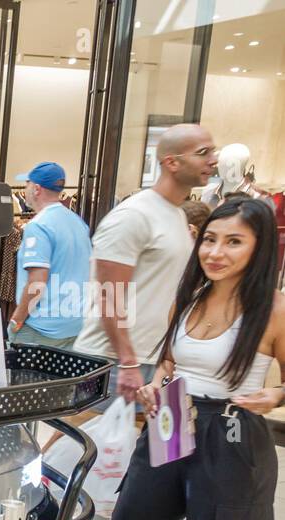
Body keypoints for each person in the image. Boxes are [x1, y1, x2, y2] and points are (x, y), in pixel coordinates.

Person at [111, 196, 285, 520]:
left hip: (232, 429)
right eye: (210, 239)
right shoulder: (188, 297)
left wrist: (272, 394)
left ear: (260, 248)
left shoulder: (273, 311)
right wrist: (156, 382)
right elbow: (170, 360)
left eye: (234, 242)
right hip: (173, 411)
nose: (216, 251)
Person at [74, 124, 219, 405]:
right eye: (203, 153)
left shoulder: (176, 215)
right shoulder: (133, 216)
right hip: (115, 362)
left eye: (213, 152)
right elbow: (108, 295)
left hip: (151, 359)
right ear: (171, 162)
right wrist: (128, 362)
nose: (213, 160)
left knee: (144, 446)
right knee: (95, 445)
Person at [7, 162, 93, 349]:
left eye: (28, 183)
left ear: (37, 189)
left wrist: (17, 320)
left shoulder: (39, 226)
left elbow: (37, 281)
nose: (25, 188)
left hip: (42, 328)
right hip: (74, 324)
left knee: (27, 378)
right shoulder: (78, 223)